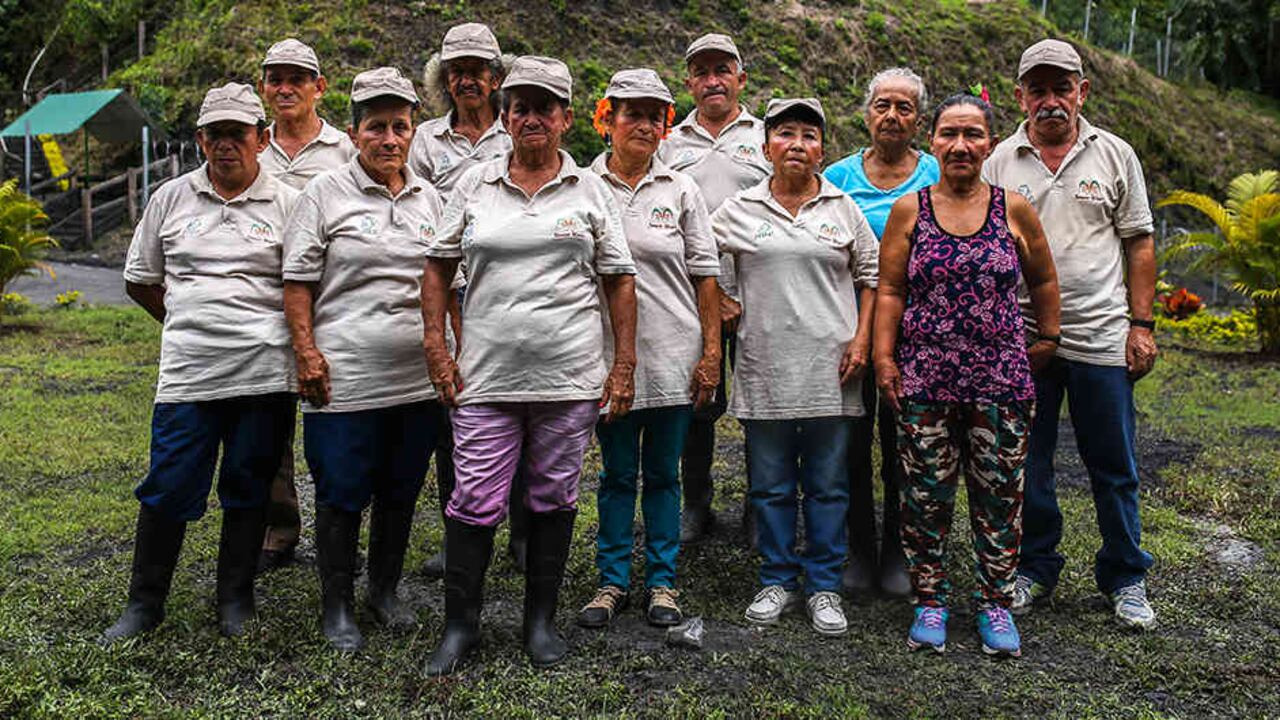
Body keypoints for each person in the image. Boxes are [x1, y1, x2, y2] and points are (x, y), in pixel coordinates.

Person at [421, 56, 638, 674]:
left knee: (552, 497)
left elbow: (620, 281)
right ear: (506, 116)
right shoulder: (474, 186)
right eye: (521, 106)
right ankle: (461, 626)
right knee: (474, 500)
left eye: (546, 106)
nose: (532, 117)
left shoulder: (591, 190)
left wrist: (622, 369)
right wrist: (438, 348)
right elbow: (437, 269)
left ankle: (538, 623)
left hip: (568, 378)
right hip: (485, 377)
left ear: (567, 118)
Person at [104, 83, 298, 642]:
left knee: (248, 485)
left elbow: (304, 286)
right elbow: (141, 281)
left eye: (238, 134)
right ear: (200, 141)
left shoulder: (289, 204)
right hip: (189, 376)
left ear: (261, 139)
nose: (226, 145)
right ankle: (145, 605)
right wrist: (193, 322)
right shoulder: (171, 197)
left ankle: (235, 600)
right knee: (168, 483)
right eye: (215, 135)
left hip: (264, 376)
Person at [874, 91, 1061, 657]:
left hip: (1000, 382)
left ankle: (995, 604)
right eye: (949, 134)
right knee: (925, 496)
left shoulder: (1013, 208)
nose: (960, 146)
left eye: (972, 135)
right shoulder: (912, 209)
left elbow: (1045, 279)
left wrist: (1047, 337)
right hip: (926, 378)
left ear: (989, 143)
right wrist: (885, 358)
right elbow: (890, 289)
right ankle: (929, 601)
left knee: (999, 496)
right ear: (932, 142)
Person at [984, 39, 1159, 630]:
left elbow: (1138, 241)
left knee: (1113, 462)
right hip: (1022, 339)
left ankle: (1126, 576)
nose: (1051, 100)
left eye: (1063, 88)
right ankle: (1035, 568)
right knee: (1027, 461)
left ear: (1083, 92)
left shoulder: (1114, 155)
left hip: (1100, 335)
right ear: (1020, 96)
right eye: (1039, 89)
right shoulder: (999, 161)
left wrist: (1142, 324)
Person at [281, 67, 445, 651]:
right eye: (376, 127)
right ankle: (337, 606)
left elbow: (450, 283)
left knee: (401, 492)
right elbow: (297, 281)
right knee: (342, 494)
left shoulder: (433, 199)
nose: (389, 139)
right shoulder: (323, 195)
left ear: (413, 132)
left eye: (400, 126)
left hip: (416, 383)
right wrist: (306, 353)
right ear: (354, 133)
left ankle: (384, 591)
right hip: (344, 381)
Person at [714, 98, 878, 637]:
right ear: (766, 147)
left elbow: (873, 277)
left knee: (830, 485)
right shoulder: (738, 209)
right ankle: (777, 579)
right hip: (764, 368)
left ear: (822, 151)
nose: (797, 144)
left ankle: (825, 586)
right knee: (771, 486)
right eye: (786, 134)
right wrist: (722, 298)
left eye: (809, 136)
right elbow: (699, 260)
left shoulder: (843, 207)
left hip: (833, 371)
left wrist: (862, 338)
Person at [576, 69, 721, 630]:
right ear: (605, 118)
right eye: (629, 113)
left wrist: (710, 354)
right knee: (614, 475)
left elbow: (705, 276)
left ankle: (662, 582)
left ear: (665, 126)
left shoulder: (681, 189)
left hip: (672, 357)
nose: (642, 124)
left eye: (653, 115)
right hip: (606, 359)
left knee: (663, 475)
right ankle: (611, 580)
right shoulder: (584, 186)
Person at [409, 22, 525, 580]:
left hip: (512, 289)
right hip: (453, 286)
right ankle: (462, 532)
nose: (467, 80)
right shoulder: (425, 140)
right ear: (443, 80)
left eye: (477, 70)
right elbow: (419, 215)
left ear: (496, 77)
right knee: (453, 415)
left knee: (527, 407)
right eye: (456, 71)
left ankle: (524, 533)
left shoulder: (520, 129)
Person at [824, 67, 940, 597]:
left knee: (903, 445)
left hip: (916, 336)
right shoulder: (838, 178)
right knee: (848, 443)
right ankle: (857, 549)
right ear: (866, 112)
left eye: (905, 107)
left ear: (919, 118)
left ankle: (898, 550)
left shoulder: (937, 174)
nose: (892, 116)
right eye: (883, 106)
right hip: (846, 329)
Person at [658, 32, 771, 544]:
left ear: (740, 78)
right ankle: (696, 504)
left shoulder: (767, 136)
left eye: (722, 70)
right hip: (689, 296)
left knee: (756, 404)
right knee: (697, 400)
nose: (712, 81)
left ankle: (757, 505)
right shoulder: (669, 143)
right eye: (702, 72)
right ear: (689, 83)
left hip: (757, 295)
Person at [255, 37, 356, 573]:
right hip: (270, 300)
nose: (286, 88)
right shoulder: (252, 147)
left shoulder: (345, 149)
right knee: (270, 422)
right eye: (276, 78)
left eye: (298, 78)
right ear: (263, 87)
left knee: (335, 420)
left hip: (334, 301)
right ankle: (280, 525)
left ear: (320, 87)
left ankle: (341, 531)